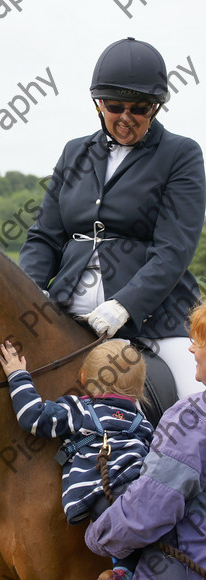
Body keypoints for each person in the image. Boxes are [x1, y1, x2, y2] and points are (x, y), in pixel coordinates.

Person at [19, 37, 206, 398]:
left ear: (155, 108)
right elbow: (44, 235)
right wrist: (31, 290)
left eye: (138, 108)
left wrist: (125, 305)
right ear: (98, 104)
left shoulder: (180, 154)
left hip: (155, 322)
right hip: (67, 313)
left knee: (194, 399)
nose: (125, 117)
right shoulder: (76, 152)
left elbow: (174, 249)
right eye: (114, 106)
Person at [0, 339, 154, 579]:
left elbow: (33, 417)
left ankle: (123, 571)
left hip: (101, 498)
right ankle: (127, 569)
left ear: (83, 378)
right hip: (141, 494)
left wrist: (18, 375)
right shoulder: (141, 422)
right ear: (140, 387)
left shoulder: (80, 410)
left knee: (115, 527)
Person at [85, 301, 206, 579]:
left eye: (199, 342)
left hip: (154, 323)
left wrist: (97, 536)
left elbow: (150, 509)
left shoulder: (191, 417)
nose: (191, 348)